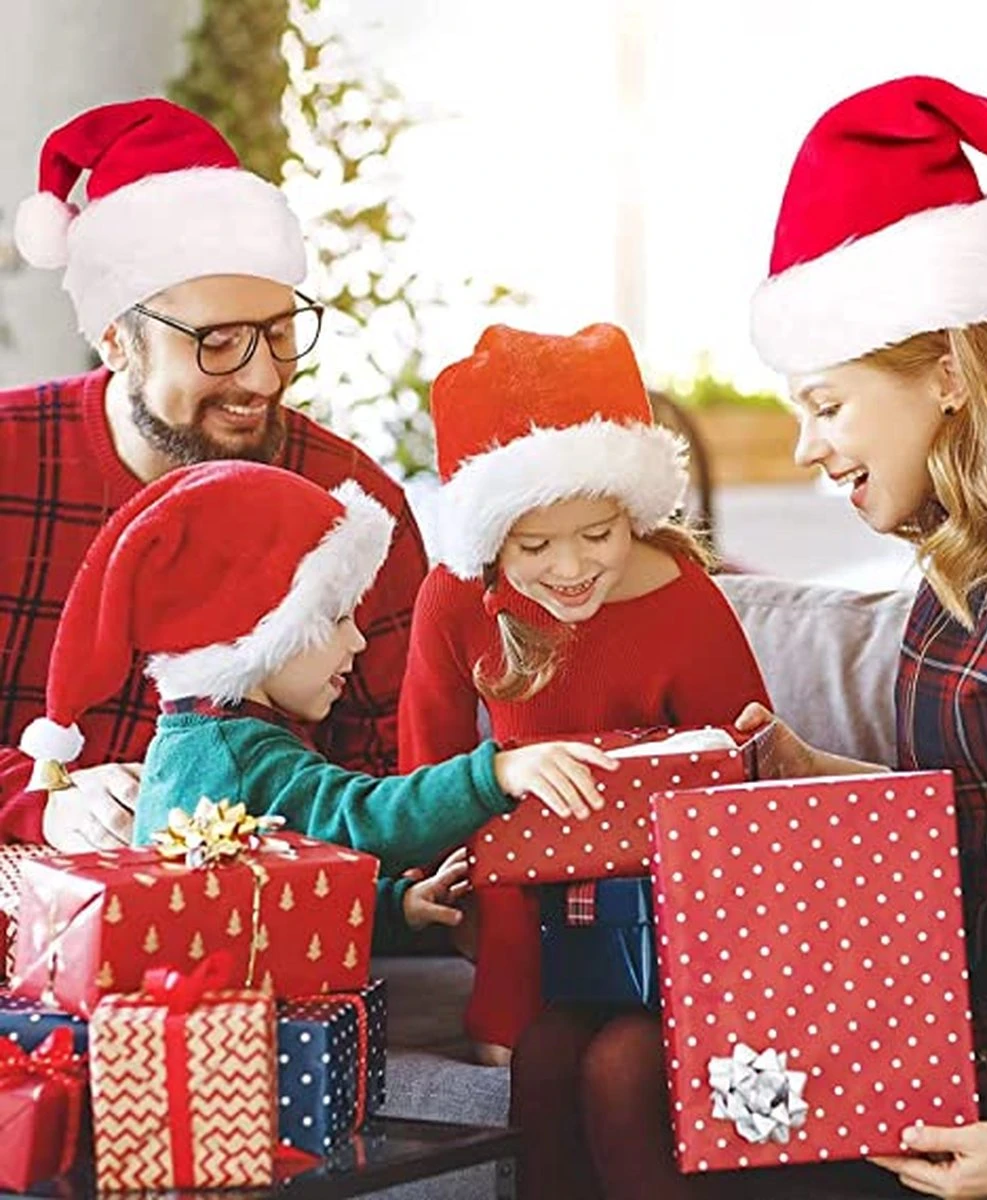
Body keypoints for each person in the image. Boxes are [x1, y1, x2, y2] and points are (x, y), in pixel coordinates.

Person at [511, 76, 987, 1199]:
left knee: (651, 1082)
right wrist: (808, 770)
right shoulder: (961, 568)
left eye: (826, 405)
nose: (807, 447)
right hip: (936, 990)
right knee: (606, 1053)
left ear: (949, 373)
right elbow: (977, 807)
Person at [0, 98, 427, 852]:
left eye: (281, 331)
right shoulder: (8, 461)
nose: (263, 376)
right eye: (219, 342)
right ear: (115, 340)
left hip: (260, 935)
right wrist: (42, 804)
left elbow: (396, 770)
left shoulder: (352, 505)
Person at [19, 460, 616, 944]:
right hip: (241, 1023)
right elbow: (356, 817)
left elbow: (281, 884)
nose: (357, 641)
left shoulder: (202, 740)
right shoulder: (238, 750)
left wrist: (393, 907)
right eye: (334, 618)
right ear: (260, 634)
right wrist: (494, 773)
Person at [397, 322, 770, 1063]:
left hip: (662, 896)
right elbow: (425, 761)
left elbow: (746, 774)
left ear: (633, 511)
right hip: (514, 898)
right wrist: (435, 887)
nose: (570, 567)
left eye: (598, 534)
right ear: (491, 541)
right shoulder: (453, 599)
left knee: (624, 1064)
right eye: (534, 547)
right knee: (523, 1055)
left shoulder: (685, 602)